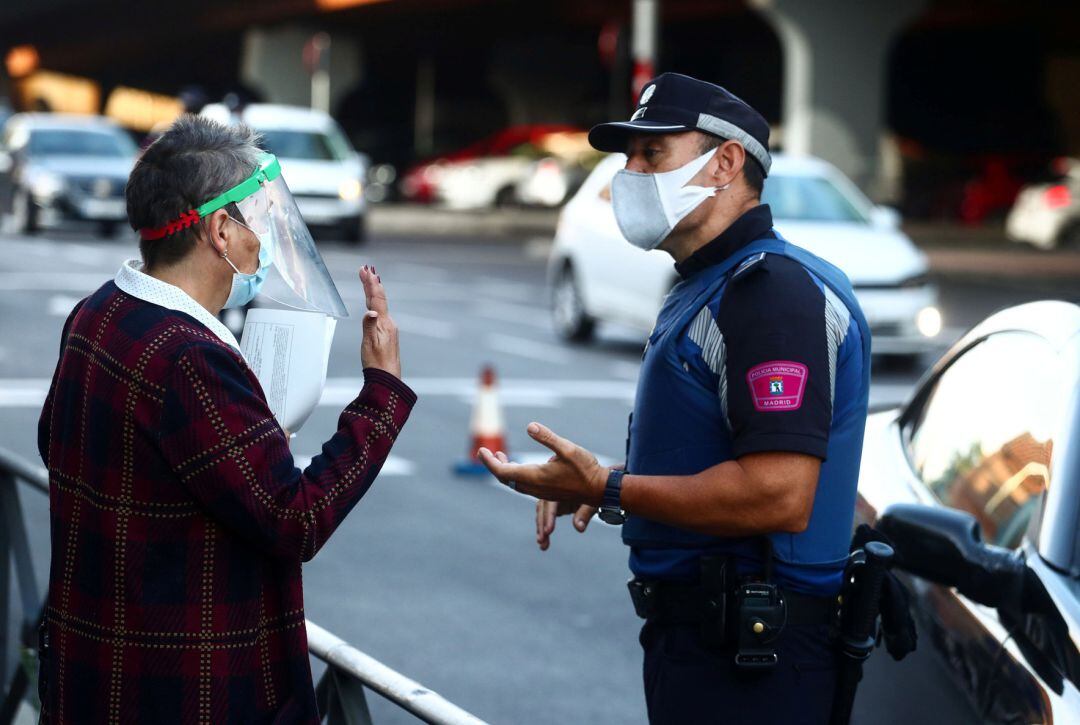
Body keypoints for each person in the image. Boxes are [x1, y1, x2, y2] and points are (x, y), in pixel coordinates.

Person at [480, 73, 871, 724]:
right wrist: (602, 484)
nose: (628, 175)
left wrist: (611, 486)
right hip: (710, 645)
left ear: (726, 162)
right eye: (626, 157)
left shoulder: (769, 295)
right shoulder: (708, 281)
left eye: (652, 154)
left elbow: (780, 492)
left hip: (756, 661)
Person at [36, 115, 416, 723]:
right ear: (219, 229)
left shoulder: (97, 312)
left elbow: (70, 447)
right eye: (259, 221)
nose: (265, 240)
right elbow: (298, 520)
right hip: (186, 689)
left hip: (95, 674)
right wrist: (382, 392)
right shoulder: (190, 357)